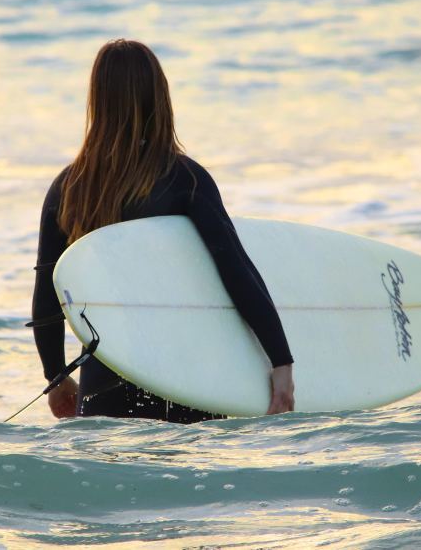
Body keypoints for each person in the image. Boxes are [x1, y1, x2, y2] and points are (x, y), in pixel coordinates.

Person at [30, 38, 295, 423]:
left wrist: (56, 376)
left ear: (97, 101)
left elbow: (47, 296)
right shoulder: (184, 179)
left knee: (114, 479)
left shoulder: (69, 187)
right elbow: (236, 272)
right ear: (160, 96)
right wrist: (280, 360)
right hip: (184, 375)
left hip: (104, 381)